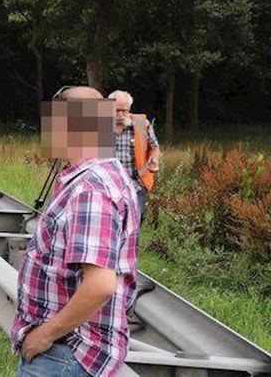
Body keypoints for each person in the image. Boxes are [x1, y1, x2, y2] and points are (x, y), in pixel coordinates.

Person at [13, 86, 140, 377]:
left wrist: (44, 335)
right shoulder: (102, 174)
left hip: (65, 352)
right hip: (67, 350)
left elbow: (101, 285)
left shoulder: (91, 189)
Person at [108, 90, 160, 221]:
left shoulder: (141, 125)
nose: (120, 115)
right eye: (116, 110)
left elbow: (155, 148)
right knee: (111, 222)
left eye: (124, 111)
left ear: (129, 109)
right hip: (108, 185)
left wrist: (154, 161)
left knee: (135, 219)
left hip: (136, 184)